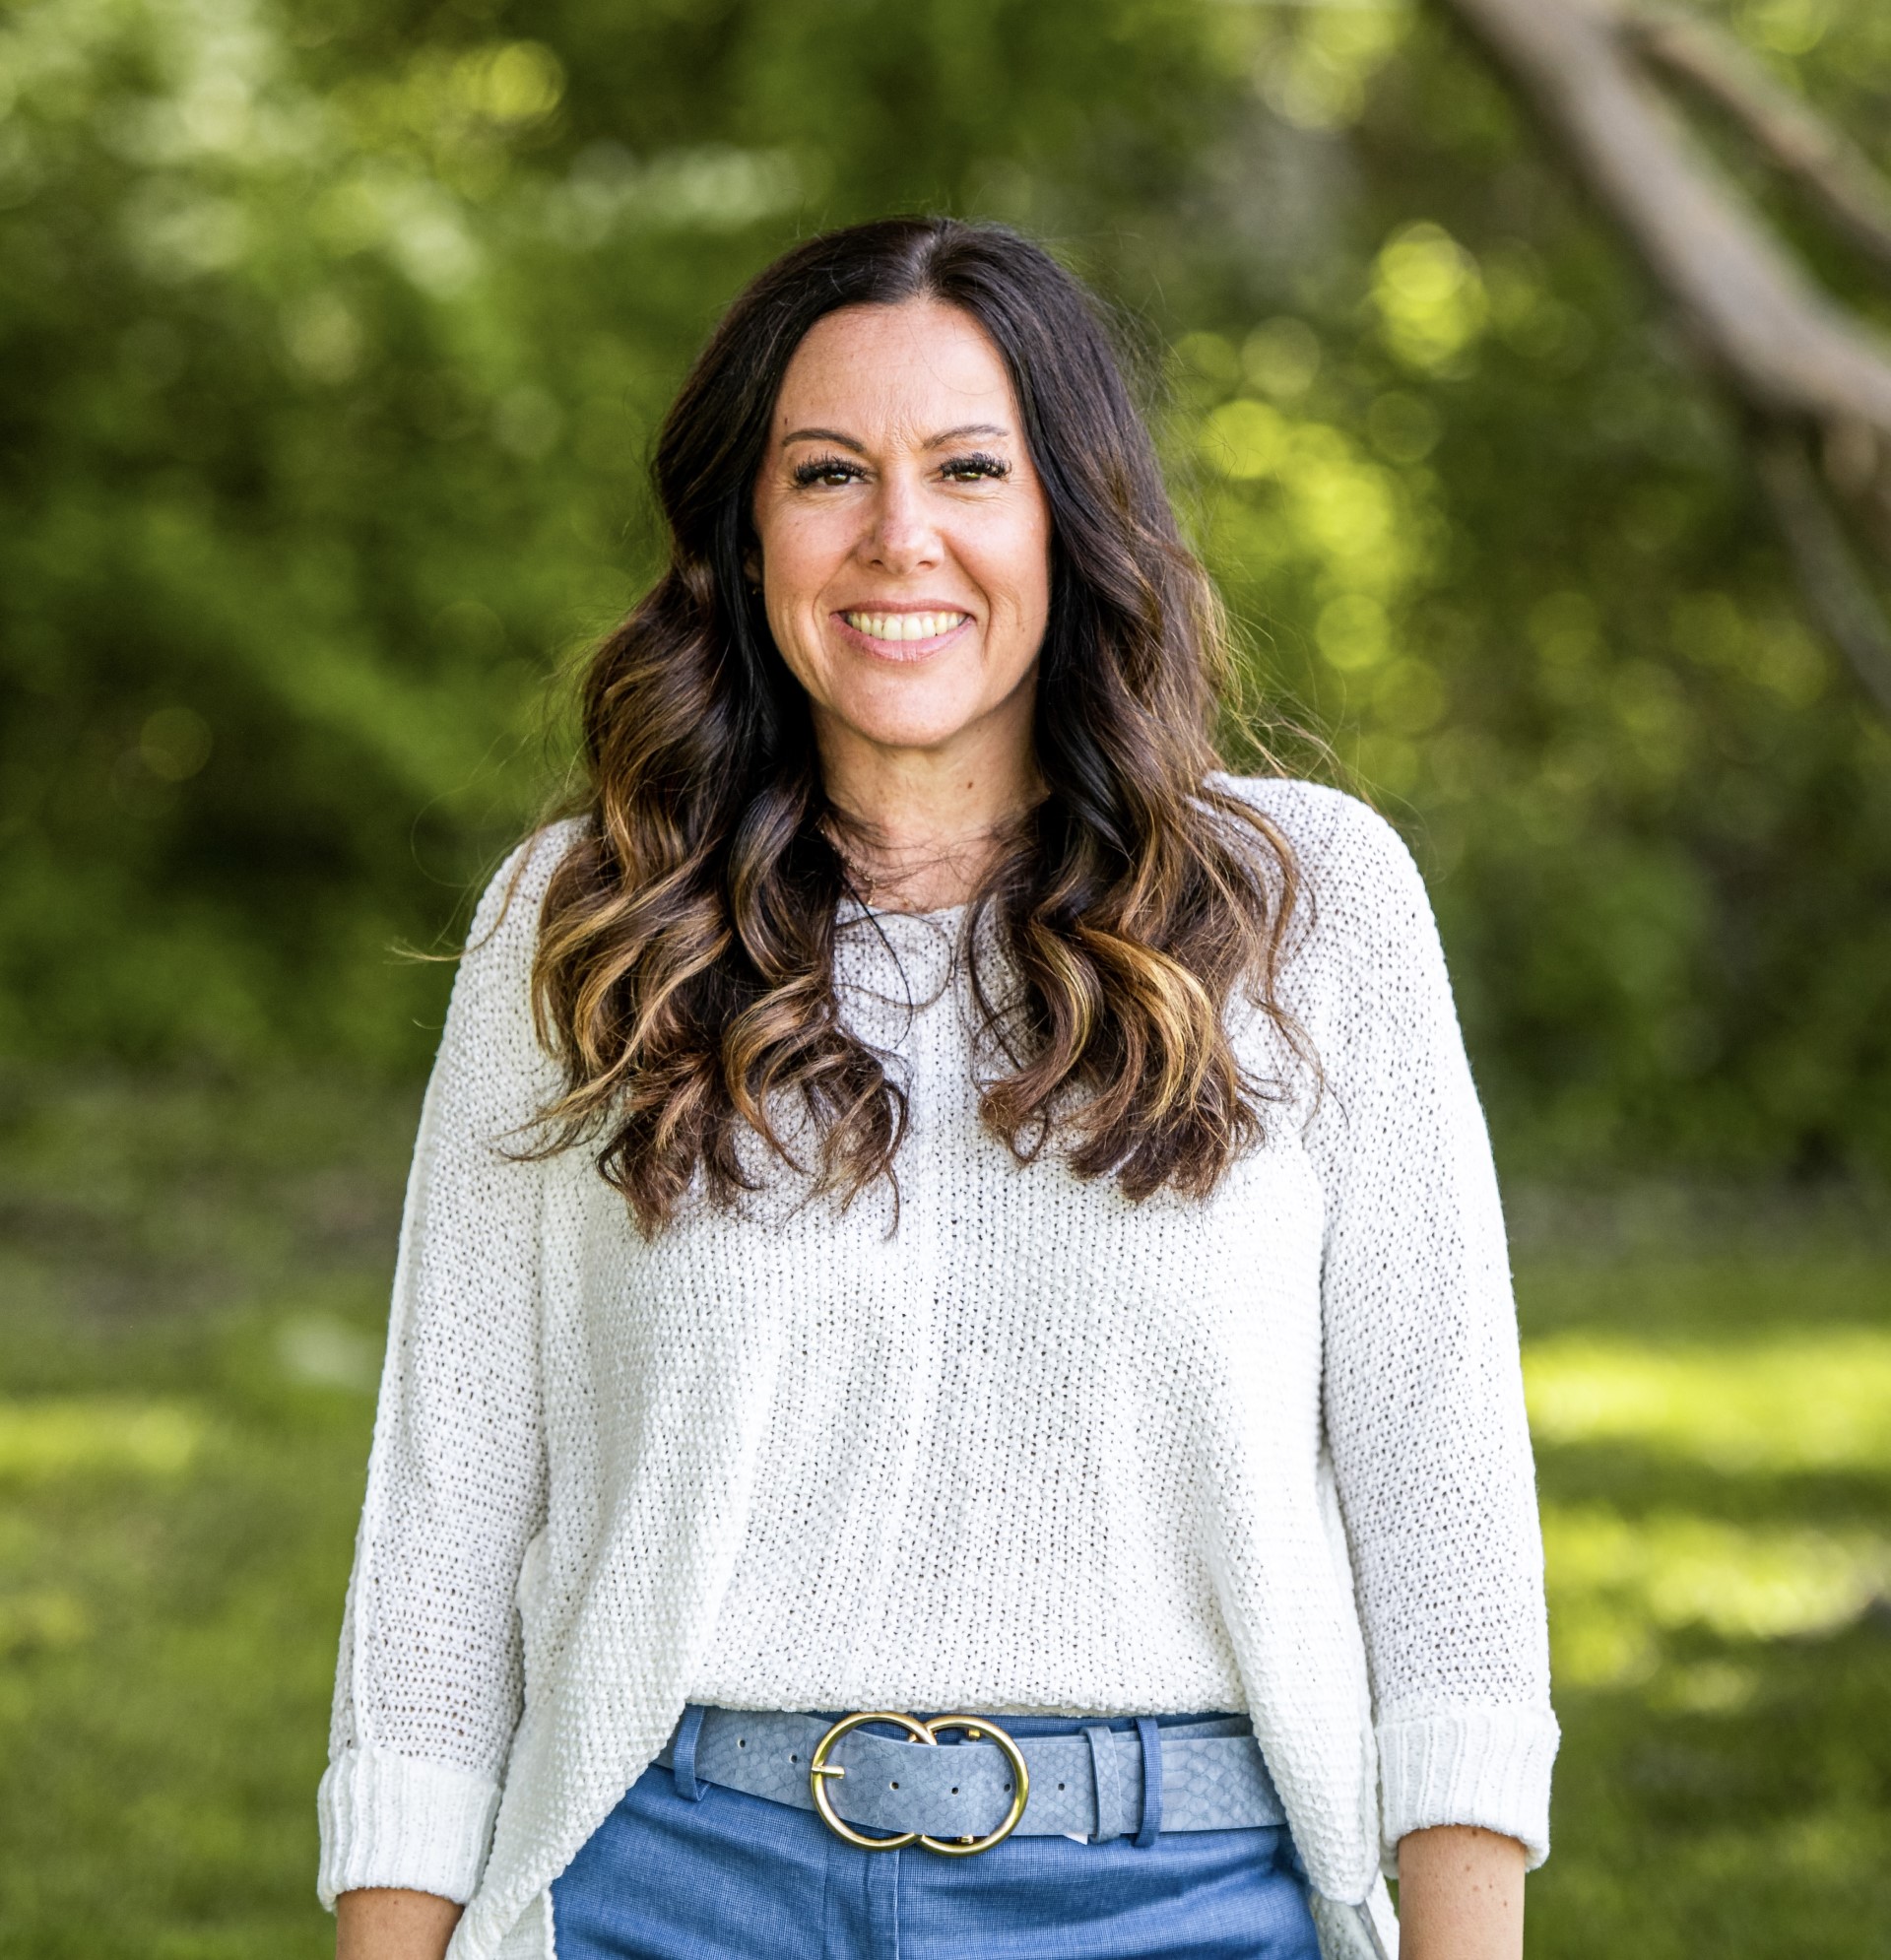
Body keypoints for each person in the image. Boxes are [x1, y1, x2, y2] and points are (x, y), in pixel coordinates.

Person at [320, 217, 1556, 1960]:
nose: (900, 535)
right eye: (828, 472)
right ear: (747, 534)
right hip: (668, 1898)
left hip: (1183, 1906)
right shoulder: (590, 918)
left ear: (1069, 515)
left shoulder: (1308, 904)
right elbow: (443, 1530)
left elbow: (1449, 1517)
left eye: (971, 467)